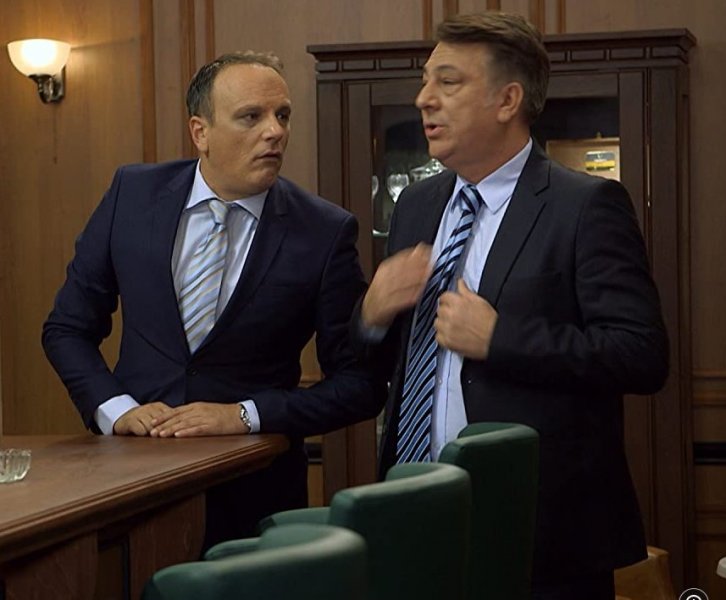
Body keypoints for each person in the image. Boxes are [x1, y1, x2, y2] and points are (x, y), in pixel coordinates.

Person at [353, 12, 669, 600]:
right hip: (413, 511)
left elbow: (641, 354)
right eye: (425, 82)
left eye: (448, 82)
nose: (424, 99)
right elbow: (376, 364)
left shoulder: (585, 206)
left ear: (508, 100)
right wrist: (371, 314)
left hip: (539, 533)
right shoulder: (416, 206)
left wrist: (501, 340)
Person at [43, 51, 384, 550]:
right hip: (128, 491)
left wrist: (244, 415)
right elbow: (67, 328)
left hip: (254, 503)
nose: (275, 131)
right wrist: (116, 410)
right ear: (200, 132)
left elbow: (359, 386)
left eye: (282, 115)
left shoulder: (324, 231)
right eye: (251, 116)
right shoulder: (131, 195)